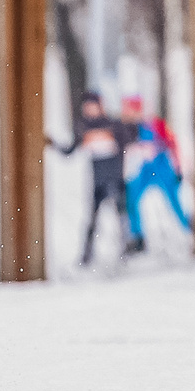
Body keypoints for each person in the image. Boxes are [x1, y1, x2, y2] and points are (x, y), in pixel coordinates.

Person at [64, 91, 138, 265]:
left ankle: (125, 249)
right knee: (93, 218)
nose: (90, 110)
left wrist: (130, 122)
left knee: (121, 216)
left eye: (93, 106)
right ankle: (87, 254)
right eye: (87, 107)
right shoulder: (83, 127)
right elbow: (70, 149)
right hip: (98, 181)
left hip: (116, 178)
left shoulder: (113, 124)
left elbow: (130, 138)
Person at [120, 94, 191, 235]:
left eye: (131, 110)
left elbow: (172, 144)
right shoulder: (127, 128)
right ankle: (137, 236)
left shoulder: (156, 125)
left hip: (162, 167)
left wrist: (178, 169)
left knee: (174, 200)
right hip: (143, 170)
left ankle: (188, 228)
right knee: (132, 200)